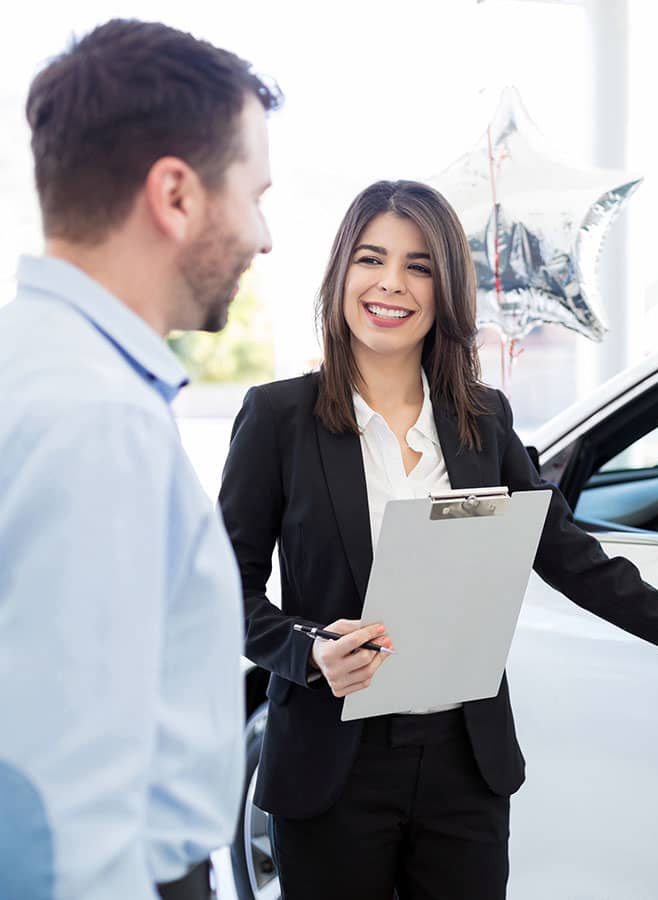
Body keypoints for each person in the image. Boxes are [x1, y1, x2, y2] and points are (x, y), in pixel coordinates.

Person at [218, 179, 658, 900]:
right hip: (333, 766)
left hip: (462, 769)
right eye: (371, 259)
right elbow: (225, 593)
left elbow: (577, 563)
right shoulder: (278, 418)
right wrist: (310, 650)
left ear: (446, 287)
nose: (391, 284)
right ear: (340, 272)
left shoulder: (482, 420)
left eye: (418, 266)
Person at [0, 19, 280, 900]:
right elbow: (60, 815)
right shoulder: (96, 420)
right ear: (176, 195)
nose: (264, 235)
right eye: (255, 192)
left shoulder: (34, 368)